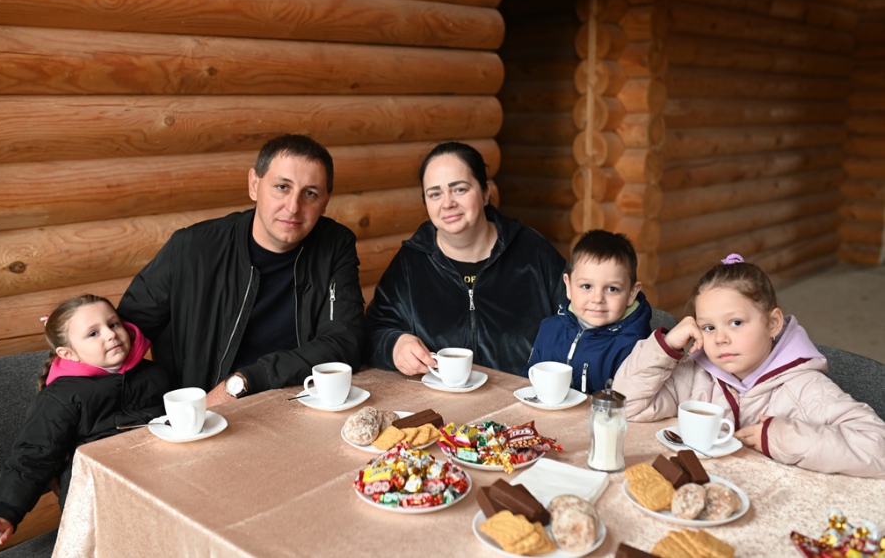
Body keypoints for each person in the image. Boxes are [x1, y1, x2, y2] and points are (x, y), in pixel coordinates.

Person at [117, 134, 365, 407]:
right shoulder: (191, 249)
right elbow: (123, 335)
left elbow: (343, 342)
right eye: (282, 187)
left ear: (325, 201)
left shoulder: (335, 245)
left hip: (300, 404)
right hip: (208, 415)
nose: (294, 207)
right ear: (254, 184)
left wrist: (246, 380)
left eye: (310, 193)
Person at [614, 254, 885, 478]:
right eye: (708, 327)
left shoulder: (805, 388)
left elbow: (878, 448)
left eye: (736, 323)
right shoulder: (696, 376)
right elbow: (626, 404)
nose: (720, 338)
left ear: (773, 323)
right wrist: (665, 347)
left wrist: (782, 437)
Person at [366, 141, 567, 376]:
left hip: (526, 403)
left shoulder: (532, 252)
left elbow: (580, 321)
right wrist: (394, 345)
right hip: (441, 405)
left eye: (459, 189)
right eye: (435, 194)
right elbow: (372, 331)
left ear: (485, 193)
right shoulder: (411, 262)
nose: (448, 203)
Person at [0, 295, 170, 546]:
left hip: (160, 480)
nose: (111, 334)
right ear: (69, 353)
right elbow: (33, 454)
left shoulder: (155, 374)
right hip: (98, 496)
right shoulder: (62, 397)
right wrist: (7, 511)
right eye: (93, 333)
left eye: (113, 324)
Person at [525, 230, 652, 394]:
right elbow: (527, 382)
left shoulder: (635, 347)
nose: (598, 298)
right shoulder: (549, 329)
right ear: (568, 286)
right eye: (586, 286)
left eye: (612, 289)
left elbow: (627, 407)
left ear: (632, 294)